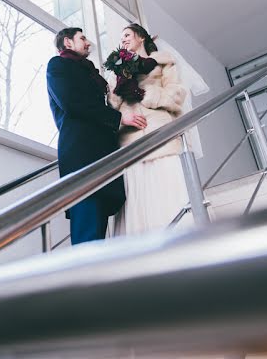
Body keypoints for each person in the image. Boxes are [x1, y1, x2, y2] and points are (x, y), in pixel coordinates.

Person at [46, 27, 147, 244]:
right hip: (82, 157)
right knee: (87, 232)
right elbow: (73, 103)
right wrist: (118, 118)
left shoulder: (88, 71)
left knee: (98, 236)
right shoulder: (58, 65)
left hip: (102, 155)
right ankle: (85, 278)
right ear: (68, 42)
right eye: (82, 38)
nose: (88, 42)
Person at [107, 23, 191, 235]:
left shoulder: (164, 62)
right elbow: (112, 105)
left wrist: (147, 94)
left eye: (127, 34)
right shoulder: (118, 69)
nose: (123, 39)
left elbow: (177, 94)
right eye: (122, 37)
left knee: (167, 190)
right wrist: (120, 86)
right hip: (131, 141)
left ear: (141, 37)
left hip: (160, 135)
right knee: (139, 195)